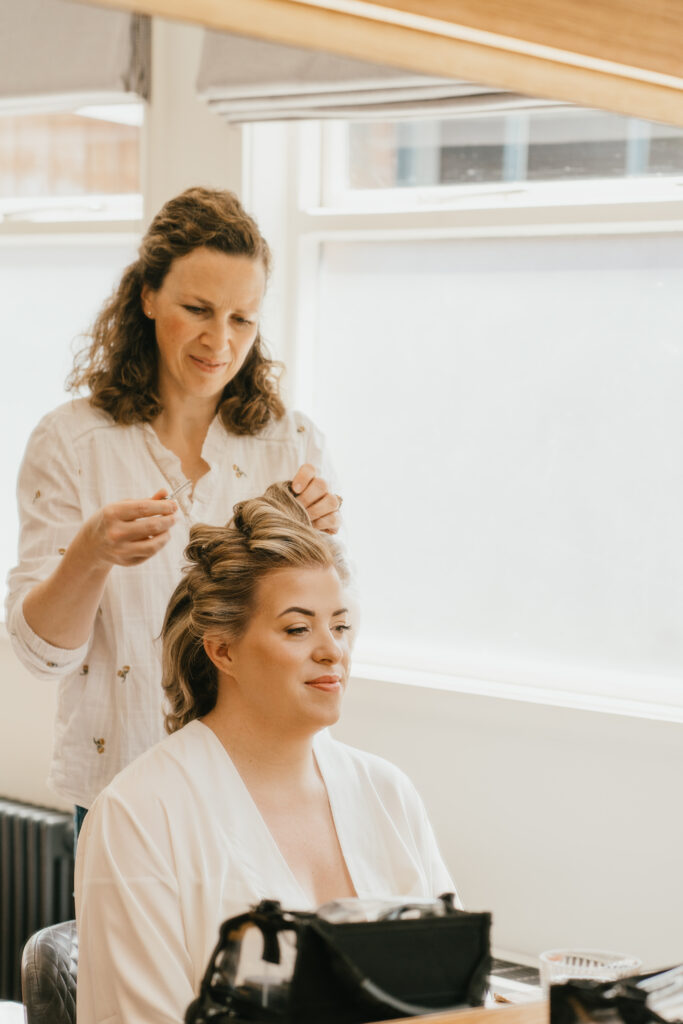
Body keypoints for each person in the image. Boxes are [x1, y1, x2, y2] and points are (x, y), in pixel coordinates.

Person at [5, 187, 342, 821]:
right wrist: (90, 554)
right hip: (121, 789)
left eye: (243, 319)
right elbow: (38, 654)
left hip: (261, 788)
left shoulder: (292, 442)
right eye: (198, 308)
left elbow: (327, 631)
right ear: (149, 297)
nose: (221, 341)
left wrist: (317, 549)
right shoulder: (73, 442)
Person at [75, 483, 457, 1024]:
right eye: (298, 628)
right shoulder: (138, 816)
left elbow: (457, 996)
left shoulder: (387, 792)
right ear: (223, 649)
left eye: (341, 625)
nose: (333, 651)